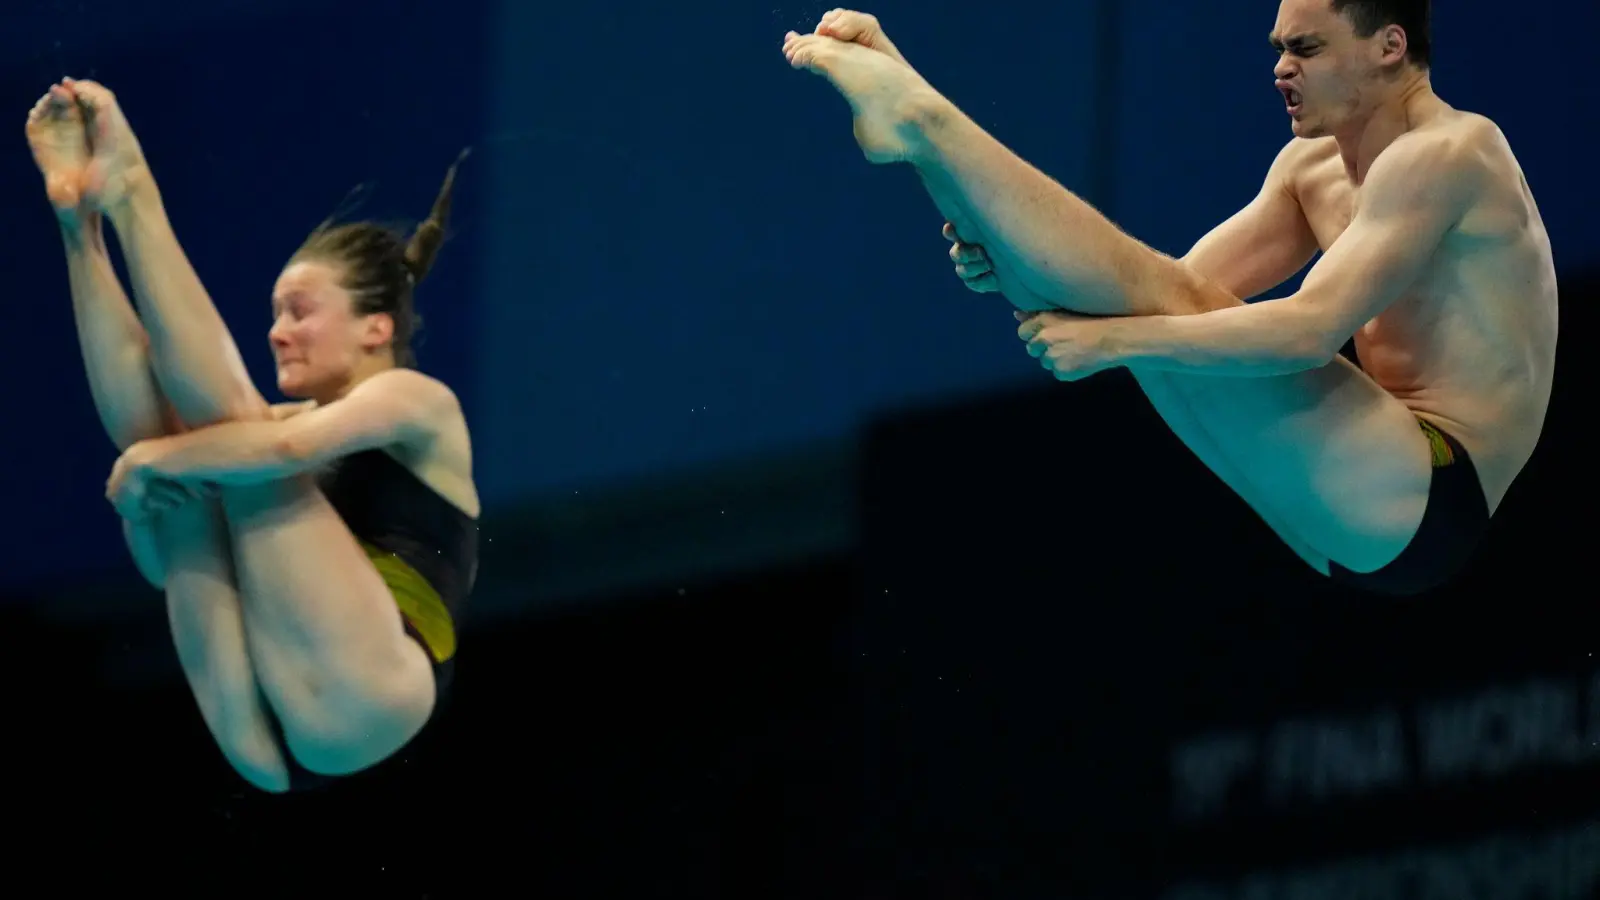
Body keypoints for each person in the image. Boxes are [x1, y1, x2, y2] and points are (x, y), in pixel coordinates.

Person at [784, 1, 1557, 595]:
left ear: (1391, 47)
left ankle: (922, 118)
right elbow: (1145, 290)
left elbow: (1308, 333)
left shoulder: (1452, 151)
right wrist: (1031, 268)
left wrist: (1115, 344)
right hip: (1345, 506)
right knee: (1124, 295)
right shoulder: (1309, 168)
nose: (1281, 69)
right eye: (1279, 48)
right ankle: (919, 133)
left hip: (1432, 489)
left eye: (1308, 48)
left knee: (1136, 317)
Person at [26, 78, 480, 792]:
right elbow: (164, 559)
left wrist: (150, 467)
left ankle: (134, 189)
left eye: (299, 310)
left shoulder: (418, 403)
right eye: (274, 313)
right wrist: (150, 479)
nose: (276, 332)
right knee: (200, 449)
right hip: (266, 731)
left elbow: (286, 452)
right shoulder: (262, 433)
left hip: (371, 688)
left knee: (229, 443)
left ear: (377, 327)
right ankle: (79, 226)